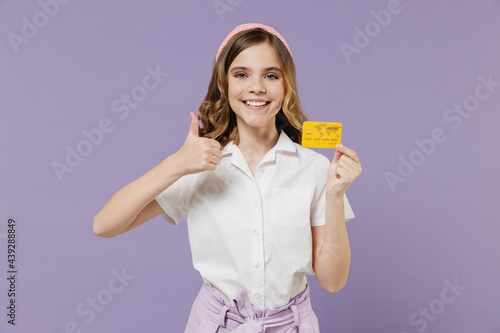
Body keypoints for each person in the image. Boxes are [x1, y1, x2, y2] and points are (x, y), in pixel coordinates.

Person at [93, 23, 362, 332]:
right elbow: (104, 225)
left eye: (271, 75)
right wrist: (176, 164)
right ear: (224, 84)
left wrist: (335, 194)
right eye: (241, 74)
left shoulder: (314, 167)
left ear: (286, 85)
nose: (257, 87)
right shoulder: (199, 164)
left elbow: (333, 281)